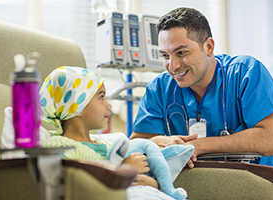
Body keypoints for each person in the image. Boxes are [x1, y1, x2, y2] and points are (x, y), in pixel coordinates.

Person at [130, 7, 273, 199]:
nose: (172, 66)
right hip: (188, 190)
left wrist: (198, 146)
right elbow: (136, 146)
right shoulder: (159, 89)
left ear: (209, 47)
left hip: (252, 188)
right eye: (165, 56)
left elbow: (269, 141)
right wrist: (154, 143)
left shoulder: (246, 72)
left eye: (181, 53)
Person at [40, 66, 193, 200]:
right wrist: (121, 170)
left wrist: (154, 184)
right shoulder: (61, 147)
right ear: (76, 106)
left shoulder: (109, 145)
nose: (109, 104)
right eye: (101, 97)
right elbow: (76, 189)